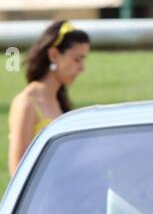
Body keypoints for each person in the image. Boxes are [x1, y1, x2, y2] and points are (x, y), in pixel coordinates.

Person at [8, 20, 92, 176]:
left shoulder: (60, 102)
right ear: (54, 55)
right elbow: (17, 170)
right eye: (77, 59)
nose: (82, 68)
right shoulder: (26, 103)